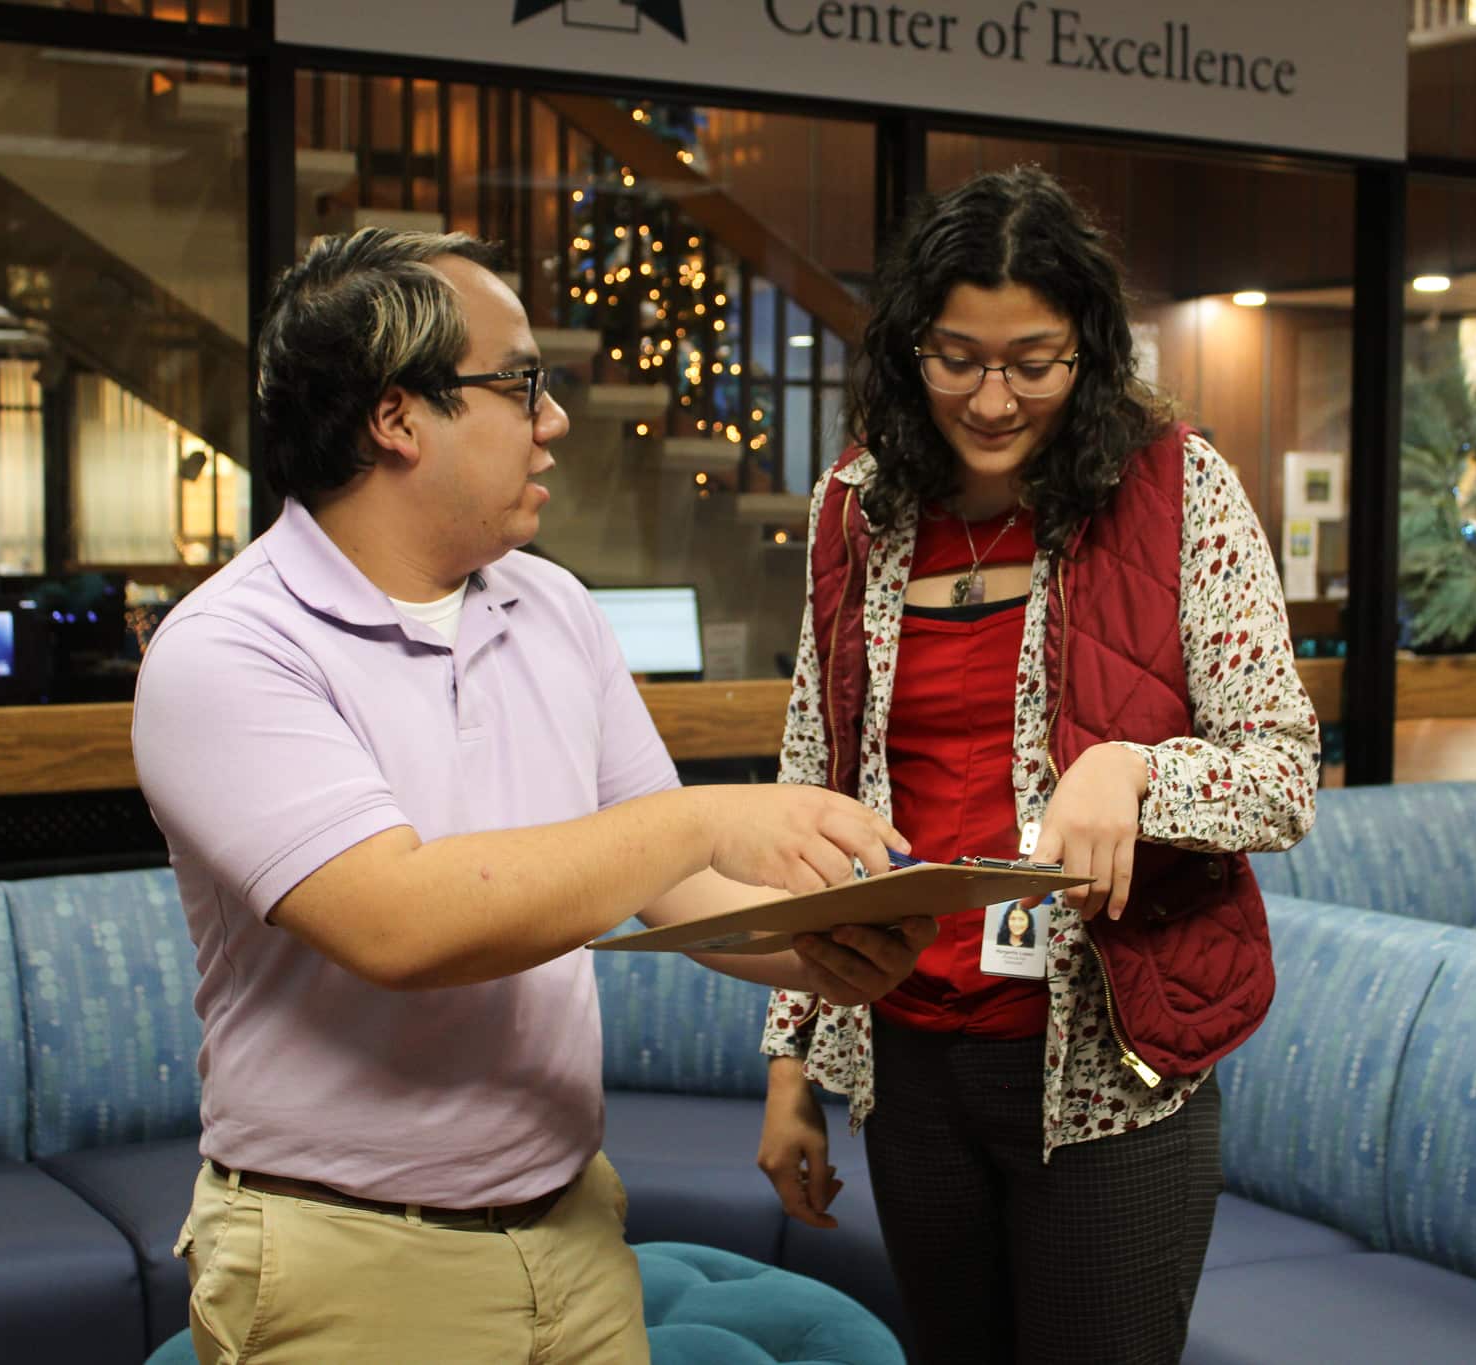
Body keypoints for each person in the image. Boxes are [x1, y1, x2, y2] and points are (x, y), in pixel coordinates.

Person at [131, 226, 938, 1365]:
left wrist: (819, 954)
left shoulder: (551, 605)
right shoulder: (230, 649)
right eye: (519, 385)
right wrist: (706, 814)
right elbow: (397, 920)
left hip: (572, 1228)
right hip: (346, 1261)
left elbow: (679, 889)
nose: (553, 419)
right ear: (396, 416)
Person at [754, 166, 1319, 1365]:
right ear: (910, 344)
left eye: (1035, 360)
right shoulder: (856, 508)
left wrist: (1129, 769)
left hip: (1107, 1067)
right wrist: (791, 1058)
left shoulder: (1176, 487)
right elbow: (818, 791)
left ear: (1090, 352)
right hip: (908, 1058)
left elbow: (1281, 773)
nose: (994, 398)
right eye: (956, 358)